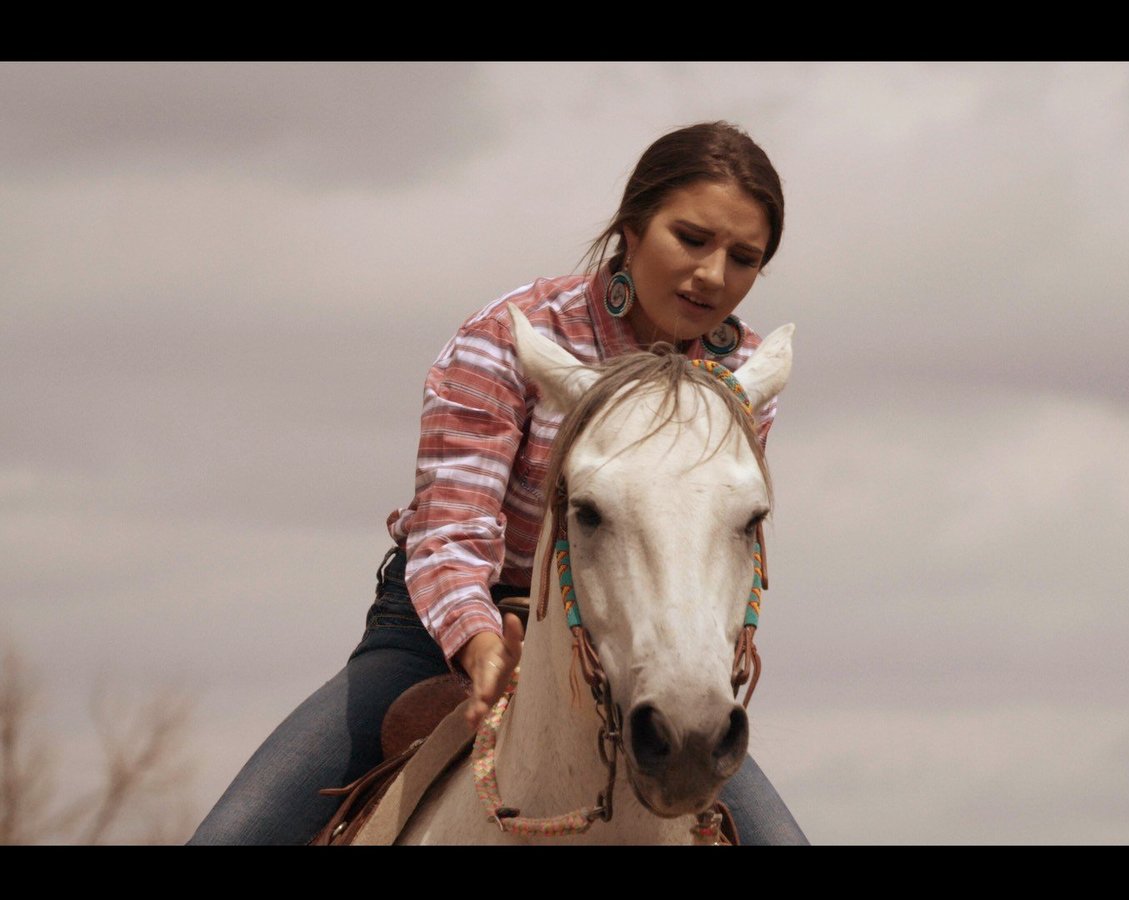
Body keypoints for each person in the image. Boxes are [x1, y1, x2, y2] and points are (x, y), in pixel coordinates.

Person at [189, 121, 808, 845]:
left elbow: (718, 546)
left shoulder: (741, 379)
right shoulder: (507, 335)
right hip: (441, 631)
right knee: (231, 837)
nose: (712, 275)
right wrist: (480, 642)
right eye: (692, 238)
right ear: (633, 228)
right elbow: (451, 529)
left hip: (642, 645)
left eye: (743, 258)